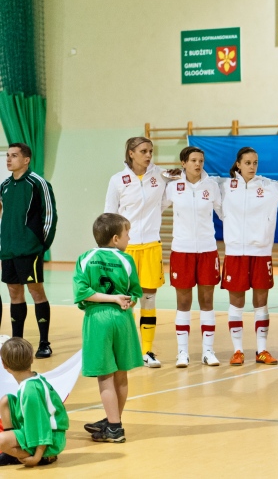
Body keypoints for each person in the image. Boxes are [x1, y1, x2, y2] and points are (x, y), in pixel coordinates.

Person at [74, 213, 143, 443]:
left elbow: (82, 292)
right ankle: (114, 420)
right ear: (115, 238)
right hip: (123, 319)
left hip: (98, 319)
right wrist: (122, 300)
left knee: (105, 378)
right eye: (127, 234)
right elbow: (134, 293)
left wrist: (110, 298)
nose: (129, 238)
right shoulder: (127, 260)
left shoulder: (85, 258)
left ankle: (114, 427)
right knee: (121, 375)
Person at [220, 147, 278, 366]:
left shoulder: (269, 187)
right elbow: (197, 180)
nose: (252, 167)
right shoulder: (223, 186)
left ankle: (262, 350)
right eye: (248, 163)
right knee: (236, 303)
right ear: (238, 164)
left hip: (260, 253)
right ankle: (238, 350)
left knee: (261, 303)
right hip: (235, 253)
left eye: (255, 163)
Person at [105, 137, 169, 368]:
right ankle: (126, 350)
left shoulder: (161, 176)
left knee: (148, 299)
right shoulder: (117, 180)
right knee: (126, 300)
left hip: (151, 245)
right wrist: (110, 249)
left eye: (151, 151)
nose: (149, 155)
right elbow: (109, 214)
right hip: (126, 249)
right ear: (131, 153)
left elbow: (165, 201)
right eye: (143, 151)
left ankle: (147, 351)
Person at [162, 146, 223, 368]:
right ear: (183, 163)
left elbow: (224, 214)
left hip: (207, 250)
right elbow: (155, 209)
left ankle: (208, 351)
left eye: (201, 160)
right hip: (182, 250)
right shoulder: (172, 187)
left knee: (207, 301)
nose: (198, 164)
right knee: (183, 301)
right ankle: (182, 352)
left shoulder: (212, 186)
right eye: (193, 160)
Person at [0, 143, 57, 358]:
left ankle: (44, 343)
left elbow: (50, 216)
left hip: (29, 250)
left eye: (14, 156)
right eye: (8, 155)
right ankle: (17, 342)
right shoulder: (5, 185)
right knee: (14, 293)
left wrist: (41, 245)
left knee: (36, 292)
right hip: (8, 250)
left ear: (26, 160)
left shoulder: (38, 183)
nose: (9, 159)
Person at [0, 338, 66, 467]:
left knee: (1, 441)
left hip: (50, 440)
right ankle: (12, 451)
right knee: (6, 401)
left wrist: (37, 456)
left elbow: (41, 423)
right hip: (40, 433)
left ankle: (41, 456)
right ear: (31, 359)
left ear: (4, 365)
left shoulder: (30, 391)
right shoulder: (32, 380)